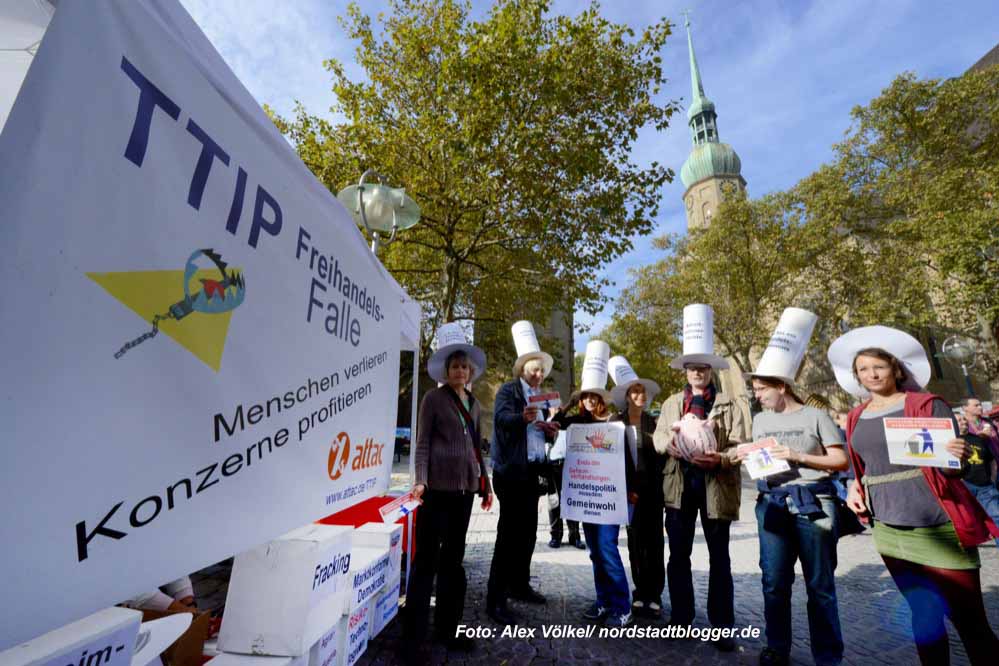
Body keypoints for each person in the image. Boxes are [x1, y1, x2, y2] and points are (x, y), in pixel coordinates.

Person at [828, 326, 999, 665]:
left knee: (970, 622)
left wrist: (957, 456)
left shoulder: (926, 405)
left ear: (895, 368)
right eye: (863, 368)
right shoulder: (855, 416)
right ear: (856, 376)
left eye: (879, 366)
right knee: (924, 618)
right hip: (889, 531)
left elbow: (951, 471)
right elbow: (861, 468)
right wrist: (852, 486)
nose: (872, 373)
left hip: (936, 525)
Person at [653, 303, 746, 652]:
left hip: (715, 487)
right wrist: (670, 448)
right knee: (678, 555)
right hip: (678, 487)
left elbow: (740, 446)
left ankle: (722, 626)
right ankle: (681, 618)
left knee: (720, 557)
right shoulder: (671, 403)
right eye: (692, 367)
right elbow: (659, 437)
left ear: (710, 370)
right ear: (686, 372)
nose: (697, 373)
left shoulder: (728, 404)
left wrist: (720, 459)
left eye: (703, 367)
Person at [741, 379, 848, 666]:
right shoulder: (761, 420)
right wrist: (746, 457)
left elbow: (840, 460)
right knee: (773, 581)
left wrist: (798, 456)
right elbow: (764, 462)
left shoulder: (816, 416)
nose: (757, 395)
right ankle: (777, 647)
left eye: (762, 389)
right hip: (772, 503)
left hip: (814, 502)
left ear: (782, 387)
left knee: (819, 584)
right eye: (755, 390)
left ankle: (827, 657)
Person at [403, 324, 493, 657]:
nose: (459, 371)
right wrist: (420, 479)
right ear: (447, 370)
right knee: (426, 561)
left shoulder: (474, 404)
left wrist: (486, 484)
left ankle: (448, 629)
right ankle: (413, 637)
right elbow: (423, 443)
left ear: (470, 372)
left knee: (454, 562)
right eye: (454, 366)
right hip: (436, 491)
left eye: (464, 367)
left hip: (464, 493)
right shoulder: (433, 399)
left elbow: (476, 449)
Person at [486, 321, 558, 625]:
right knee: (508, 536)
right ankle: (496, 599)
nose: (539, 374)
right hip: (511, 474)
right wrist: (522, 417)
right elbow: (502, 419)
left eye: (541, 370)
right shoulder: (508, 391)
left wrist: (551, 430)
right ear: (522, 370)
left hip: (533, 473)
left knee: (528, 533)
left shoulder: (543, 397)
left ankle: (520, 585)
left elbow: (540, 434)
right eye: (534, 369)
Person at [563, 341, 635, 628]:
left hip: (610, 497)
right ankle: (603, 600)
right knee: (595, 551)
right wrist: (569, 403)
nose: (589, 401)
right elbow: (554, 423)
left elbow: (627, 459)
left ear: (601, 398)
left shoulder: (616, 420)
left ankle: (622, 605)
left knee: (607, 548)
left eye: (593, 396)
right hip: (586, 498)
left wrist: (631, 491)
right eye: (585, 397)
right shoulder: (577, 422)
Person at [608, 355, 665, 618]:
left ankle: (654, 595)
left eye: (643, 391)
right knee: (634, 542)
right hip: (626, 494)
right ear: (627, 396)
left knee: (654, 542)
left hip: (652, 492)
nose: (640, 395)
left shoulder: (654, 423)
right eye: (635, 391)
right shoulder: (614, 423)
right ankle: (639, 592)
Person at [547, 391, 585, 549]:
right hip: (552, 464)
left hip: (570, 464)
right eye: (553, 406)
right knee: (554, 501)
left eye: (558, 405)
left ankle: (574, 535)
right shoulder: (547, 422)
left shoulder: (567, 421)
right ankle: (556, 535)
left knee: (572, 500)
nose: (556, 408)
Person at [957, 412, 999, 547]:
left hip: (985, 487)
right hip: (963, 488)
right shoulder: (951, 442)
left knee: (997, 517)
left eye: (964, 419)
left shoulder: (978, 439)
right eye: (958, 420)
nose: (963, 422)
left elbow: (991, 460)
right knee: (966, 523)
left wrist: (992, 478)